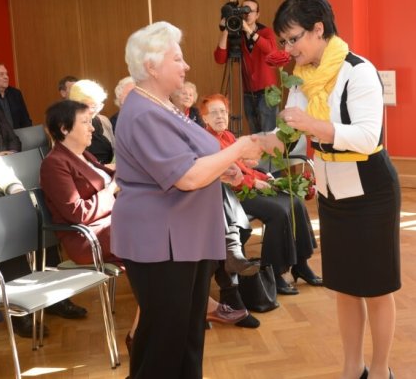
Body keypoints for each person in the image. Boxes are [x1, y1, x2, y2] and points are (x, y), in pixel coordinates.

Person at [111, 21, 272, 379]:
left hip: (185, 237)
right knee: (164, 344)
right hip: (161, 242)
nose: (186, 66)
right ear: (151, 66)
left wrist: (223, 169)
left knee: (186, 338)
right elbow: (185, 177)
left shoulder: (162, 106)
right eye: (177, 59)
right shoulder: (144, 113)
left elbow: (192, 159)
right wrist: (237, 151)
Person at [272, 0, 400, 379]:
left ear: (318, 29)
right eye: (283, 42)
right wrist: (249, 149)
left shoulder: (358, 71)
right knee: (345, 286)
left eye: (293, 39)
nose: (288, 49)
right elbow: (288, 135)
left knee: (376, 288)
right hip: (332, 193)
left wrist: (313, 125)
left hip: (371, 191)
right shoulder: (301, 78)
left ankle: (380, 370)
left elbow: (366, 136)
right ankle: (351, 367)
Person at [200, 93, 322, 295]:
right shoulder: (206, 142)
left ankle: (301, 264)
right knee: (278, 212)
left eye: (223, 111)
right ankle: (274, 272)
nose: (220, 116)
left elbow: (243, 168)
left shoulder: (228, 136)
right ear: (204, 118)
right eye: (213, 113)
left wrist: (265, 178)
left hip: (248, 186)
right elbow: (224, 174)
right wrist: (254, 182)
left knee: (295, 201)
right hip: (231, 196)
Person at [0, 136, 87, 338]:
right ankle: (21, 312)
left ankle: (56, 298)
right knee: (9, 238)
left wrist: (14, 188)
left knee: (40, 222)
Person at [40, 99, 121, 266]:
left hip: (112, 223)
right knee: (154, 225)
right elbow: (78, 213)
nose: (92, 128)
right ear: (64, 128)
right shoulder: (54, 163)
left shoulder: (85, 155)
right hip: (88, 237)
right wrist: (112, 189)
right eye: (85, 122)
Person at [214, 0, 290, 133]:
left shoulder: (265, 32)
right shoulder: (237, 34)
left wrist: (249, 30)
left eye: (250, 11)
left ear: (257, 14)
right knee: (255, 133)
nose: (247, 14)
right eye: (244, 11)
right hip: (248, 92)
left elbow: (271, 50)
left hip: (268, 91)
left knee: (269, 132)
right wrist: (226, 29)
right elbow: (220, 59)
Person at [69, 79, 115, 165]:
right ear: (77, 104)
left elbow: (115, 151)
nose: (97, 110)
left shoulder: (103, 121)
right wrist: (105, 168)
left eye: (99, 105)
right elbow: (72, 163)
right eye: (93, 106)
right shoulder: (68, 126)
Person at [0, 63, 32, 128]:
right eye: (1, 74)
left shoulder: (15, 93)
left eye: (6, 74)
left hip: (18, 133)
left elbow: (25, 120)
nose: (6, 77)